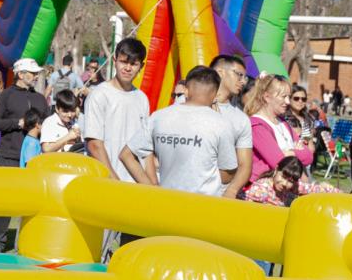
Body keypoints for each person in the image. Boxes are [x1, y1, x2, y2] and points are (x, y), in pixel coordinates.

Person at [120, 66, 239, 197]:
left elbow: (126, 155)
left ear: (186, 91)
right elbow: (228, 173)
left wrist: (151, 189)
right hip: (204, 207)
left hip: (167, 203)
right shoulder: (222, 124)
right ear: (216, 95)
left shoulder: (159, 117)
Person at [0, 57, 50, 252]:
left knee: (34, 203)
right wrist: (17, 123)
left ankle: (29, 242)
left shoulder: (40, 99)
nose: (36, 76)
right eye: (32, 73)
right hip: (9, 156)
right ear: (21, 74)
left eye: (36, 73)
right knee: (3, 203)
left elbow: (48, 124)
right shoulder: (6, 96)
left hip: (35, 160)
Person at [84, 37, 149, 182]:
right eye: (124, 62)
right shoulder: (99, 95)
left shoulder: (142, 98)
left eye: (133, 64)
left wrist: (152, 185)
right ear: (115, 61)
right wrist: (115, 183)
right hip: (107, 184)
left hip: (136, 186)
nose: (127, 68)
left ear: (141, 66)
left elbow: (145, 147)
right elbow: (94, 145)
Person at [246, 75, 313, 183]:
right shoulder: (256, 125)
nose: (287, 101)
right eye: (283, 96)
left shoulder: (284, 123)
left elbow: (309, 156)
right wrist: (294, 152)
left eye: (289, 96)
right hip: (265, 190)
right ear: (267, 97)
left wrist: (289, 153)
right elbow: (279, 163)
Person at [208, 55, 252, 199]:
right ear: (220, 72)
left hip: (220, 193)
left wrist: (231, 191)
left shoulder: (241, 119)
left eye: (245, 77)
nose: (243, 81)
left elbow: (244, 164)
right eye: (239, 75)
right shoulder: (189, 104)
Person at [242, 155, 340, 208]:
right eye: (283, 177)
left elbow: (314, 189)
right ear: (276, 169)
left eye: (291, 181)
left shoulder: (294, 186)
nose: (285, 184)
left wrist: (338, 194)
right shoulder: (260, 190)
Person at [41, 89, 82, 153]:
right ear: (57, 109)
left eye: (72, 111)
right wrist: (68, 137)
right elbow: (46, 149)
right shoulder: (50, 122)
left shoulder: (73, 122)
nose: (69, 115)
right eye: (65, 111)